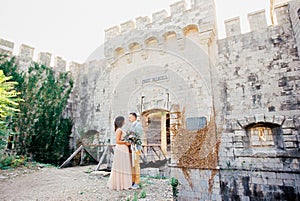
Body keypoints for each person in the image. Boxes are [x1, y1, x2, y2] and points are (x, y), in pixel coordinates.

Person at [107, 116, 132, 190]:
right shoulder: (119, 130)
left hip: (123, 148)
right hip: (121, 148)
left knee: (123, 165)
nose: (125, 121)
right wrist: (126, 142)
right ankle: (120, 184)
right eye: (124, 120)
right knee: (121, 165)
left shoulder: (120, 130)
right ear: (121, 121)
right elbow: (117, 141)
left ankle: (123, 183)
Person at [128, 112, 143, 189]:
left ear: (134, 117)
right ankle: (133, 180)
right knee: (133, 165)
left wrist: (133, 139)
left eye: (130, 117)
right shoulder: (132, 125)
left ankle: (137, 182)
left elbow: (139, 136)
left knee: (136, 165)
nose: (129, 118)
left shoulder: (138, 125)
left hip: (136, 148)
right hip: (132, 147)